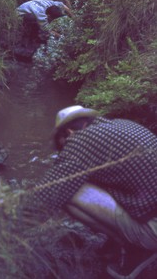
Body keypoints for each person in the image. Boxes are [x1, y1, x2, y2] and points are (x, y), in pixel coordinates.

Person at [31, 105, 157, 278]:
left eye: (61, 145)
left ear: (68, 132)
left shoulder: (79, 142)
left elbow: (44, 196)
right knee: (89, 178)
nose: (62, 150)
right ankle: (122, 242)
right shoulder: (121, 125)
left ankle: (137, 247)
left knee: (69, 190)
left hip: (153, 231)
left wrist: (6, 224)